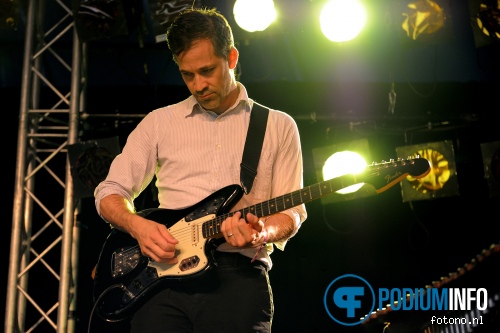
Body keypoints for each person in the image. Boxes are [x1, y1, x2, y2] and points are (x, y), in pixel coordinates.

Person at [94, 7, 307, 333]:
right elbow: (110, 192)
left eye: (207, 70)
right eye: (187, 74)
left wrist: (260, 232)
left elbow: (291, 214)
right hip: (161, 281)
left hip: (238, 279)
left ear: (232, 58)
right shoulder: (159, 122)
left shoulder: (278, 126)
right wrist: (138, 227)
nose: (198, 84)